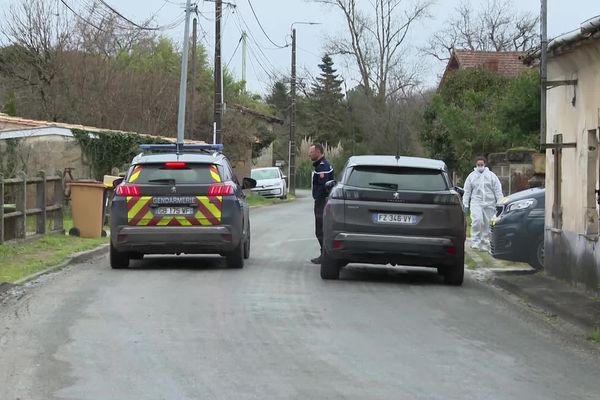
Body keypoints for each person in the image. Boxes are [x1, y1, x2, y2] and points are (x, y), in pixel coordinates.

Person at [463, 156, 504, 252]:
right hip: (476, 202)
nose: (480, 166)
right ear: (476, 165)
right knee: (477, 221)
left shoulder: (492, 176)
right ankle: (475, 241)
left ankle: (485, 242)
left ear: (485, 164)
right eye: (478, 165)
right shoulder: (471, 176)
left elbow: (498, 190)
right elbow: (467, 191)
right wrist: (465, 204)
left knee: (487, 224)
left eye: (481, 164)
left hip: (489, 203)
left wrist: (500, 203)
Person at [309, 143, 334, 264]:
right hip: (323, 202)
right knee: (320, 229)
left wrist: (318, 199)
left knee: (321, 230)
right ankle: (324, 254)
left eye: (311, 152)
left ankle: (325, 255)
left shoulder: (323, 167)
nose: (309, 154)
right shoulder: (321, 166)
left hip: (322, 203)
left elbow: (324, 186)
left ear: (318, 152)